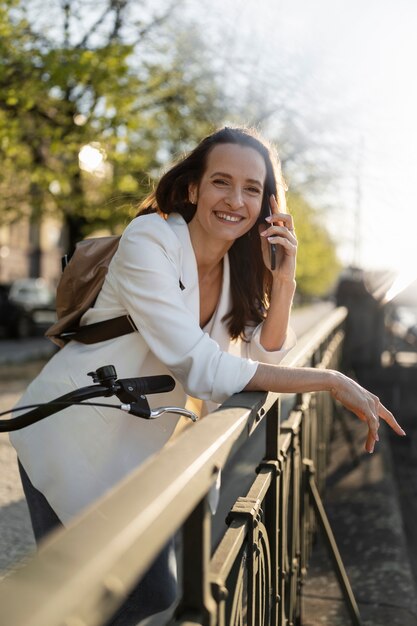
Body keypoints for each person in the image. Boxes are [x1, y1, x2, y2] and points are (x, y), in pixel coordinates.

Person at [9, 126, 404, 624]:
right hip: (69, 431)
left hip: (135, 452)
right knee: (81, 598)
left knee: (143, 594)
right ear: (193, 187)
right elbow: (203, 369)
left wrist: (283, 281)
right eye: (222, 181)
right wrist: (329, 379)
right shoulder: (150, 239)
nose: (235, 199)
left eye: (252, 189)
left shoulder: (237, 270)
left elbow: (264, 361)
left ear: (268, 206)